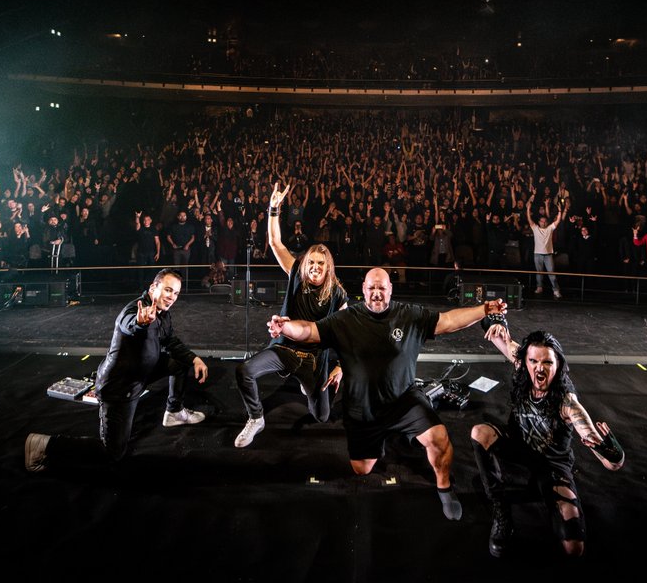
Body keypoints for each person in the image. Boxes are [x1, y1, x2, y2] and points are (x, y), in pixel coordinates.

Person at [269, 266, 508, 521]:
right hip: (363, 408)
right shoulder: (346, 319)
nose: (376, 293)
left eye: (381, 288)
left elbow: (448, 321)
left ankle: (444, 487)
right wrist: (285, 327)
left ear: (390, 290)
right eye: (371, 288)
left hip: (404, 400)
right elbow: (309, 331)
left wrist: (485, 309)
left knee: (439, 439)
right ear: (363, 290)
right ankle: (391, 437)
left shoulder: (409, 315)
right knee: (362, 469)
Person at [25, 269, 208, 471]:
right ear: (152, 288)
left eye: (176, 293)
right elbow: (128, 324)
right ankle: (43, 445)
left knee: (181, 362)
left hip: (143, 372)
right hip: (121, 386)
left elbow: (169, 340)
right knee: (113, 452)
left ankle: (174, 412)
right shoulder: (135, 311)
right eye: (167, 290)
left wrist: (195, 358)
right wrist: (141, 322)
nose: (172, 297)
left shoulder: (163, 313)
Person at [470, 330, 625, 558]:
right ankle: (501, 509)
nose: (539, 369)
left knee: (574, 547)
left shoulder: (567, 402)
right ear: (525, 361)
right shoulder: (523, 366)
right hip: (518, 446)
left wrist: (612, 450)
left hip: (551, 465)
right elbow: (494, 333)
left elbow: (612, 463)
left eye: (547, 363)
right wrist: (496, 321)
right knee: (479, 432)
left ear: (558, 365)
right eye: (533, 361)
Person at [234, 182, 348, 449]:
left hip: (314, 361)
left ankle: (305, 385)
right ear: (305, 264)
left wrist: (340, 366)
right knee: (244, 371)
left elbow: (346, 334)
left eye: (321, 263)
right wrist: (273, 208)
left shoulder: (338, 294)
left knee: (321, 416)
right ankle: (256, 418)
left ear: (327, 267)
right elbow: (275, 242)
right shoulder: (296, 272)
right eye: (312, 262)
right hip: (285, 349)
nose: (315, 267)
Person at [527, 193, 565, 298]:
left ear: (546, 223)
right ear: (539, 222)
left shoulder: (550, 228)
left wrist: (560, 211)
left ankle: (556, 290)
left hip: (548, 254)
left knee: (551, 273)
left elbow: (557, 221)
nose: (543, 222)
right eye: (542, 221)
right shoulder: (535, 228)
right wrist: (528, 209)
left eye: (544, 221)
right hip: (537, 254)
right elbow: (529, 219)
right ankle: (539, 287)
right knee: (539, 273)